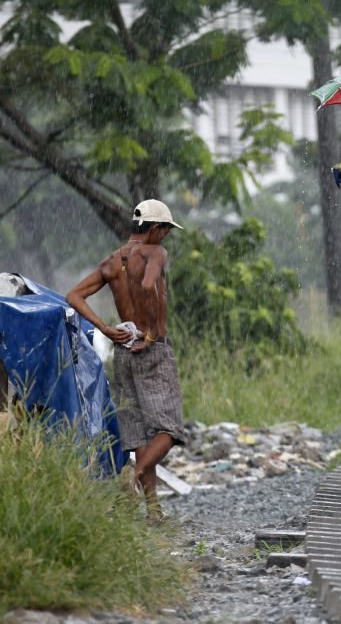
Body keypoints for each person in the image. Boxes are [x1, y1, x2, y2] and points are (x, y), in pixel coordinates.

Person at [65, 199, 184, 522]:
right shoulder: (156, 253)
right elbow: (147, 284)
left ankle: (153, 511)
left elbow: (73, 296)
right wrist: (148, 332)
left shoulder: (112, 261)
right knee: (168, 430)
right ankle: (131, 479)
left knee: (139, 435)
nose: (167, 238)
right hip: (151, 350)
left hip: (122, 351)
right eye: (166, 231)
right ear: (156, 230)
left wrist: (105, 327)